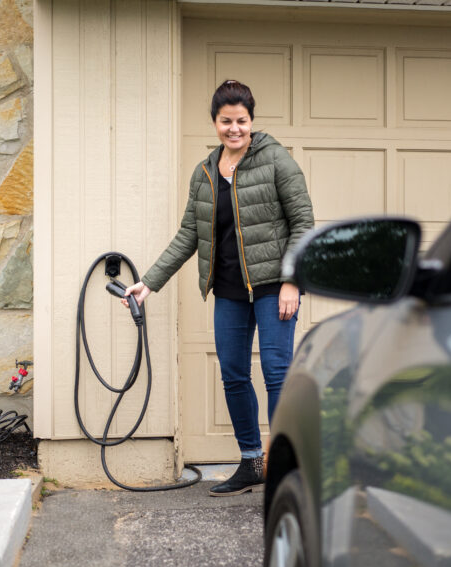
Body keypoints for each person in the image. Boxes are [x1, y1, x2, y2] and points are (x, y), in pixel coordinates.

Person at [122, 80, 314, 496]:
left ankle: (283, 465)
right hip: (228, 289)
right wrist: (148, 284)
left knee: (277, 373)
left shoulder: (277, 160)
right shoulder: (205, 172)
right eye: (226, 121)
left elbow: (303, 223)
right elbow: (188, 236)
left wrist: (292, 282)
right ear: (215, 122)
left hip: (273, 287)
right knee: (233, 374)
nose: (234, 129)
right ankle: (251, 462)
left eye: (241, 121)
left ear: (251, 121)